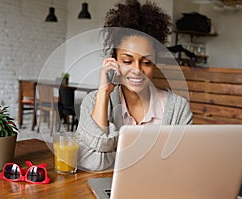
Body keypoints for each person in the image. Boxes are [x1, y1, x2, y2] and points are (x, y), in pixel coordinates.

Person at [76, 0, 193, 171]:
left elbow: (185, 165)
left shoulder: (178, 108)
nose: (137, 70)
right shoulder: (93, 101)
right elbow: (91, 163)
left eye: (146, 62)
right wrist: (103, 94)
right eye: (127, 61)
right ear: (113, 61)